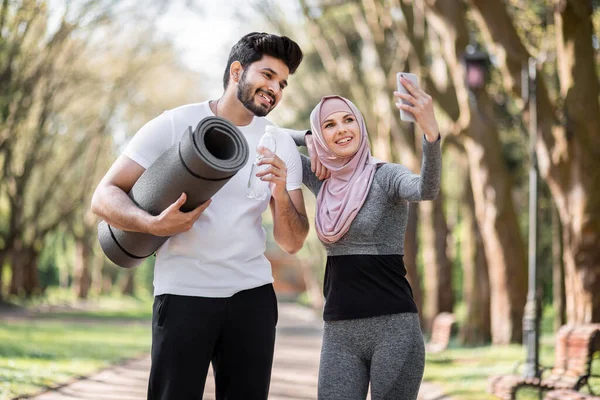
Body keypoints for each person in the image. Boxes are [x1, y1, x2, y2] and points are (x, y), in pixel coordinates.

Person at [91, 32, 310, 400]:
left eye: (283, 83)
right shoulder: (175, 124)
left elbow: (292, 242)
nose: (276, 89)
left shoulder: (279, 142)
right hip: (183, 294)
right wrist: (152, 224)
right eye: (268, 75)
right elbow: (104, 195)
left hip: (251, 298)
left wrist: (280, 191)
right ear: (237, 71)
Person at [287, 78, 441, 400]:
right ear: (321, 134)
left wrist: (431, 135)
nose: (341, 129)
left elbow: (426, 190)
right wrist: (306, 138)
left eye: (348, 119)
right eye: (328, 124)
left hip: (394, 328)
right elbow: (267, 137)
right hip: (339, 331)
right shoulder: (322, 180)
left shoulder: (386, 175)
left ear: (360, 124)